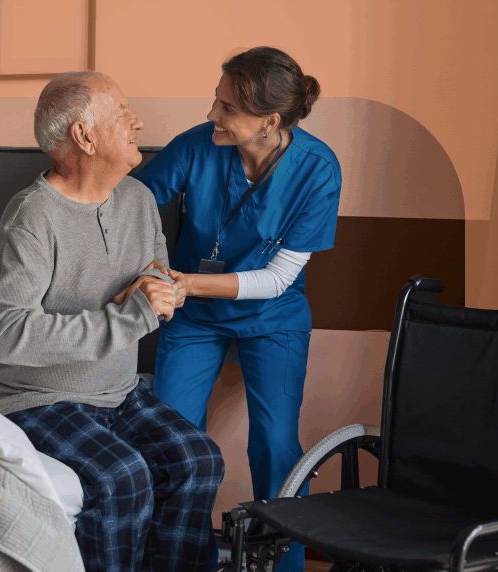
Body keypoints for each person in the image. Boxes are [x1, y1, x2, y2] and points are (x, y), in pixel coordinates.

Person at [0, 71, 225, 572]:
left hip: (117, 392)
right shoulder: (32, 218)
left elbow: (156, 282)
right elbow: (10, 335)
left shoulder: (139, 201)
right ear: (84, 136)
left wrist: (156, 290)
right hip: (34, 398)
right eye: (122, 112)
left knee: (198, 460)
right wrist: (128, 314)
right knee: (122, 476)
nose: (139, 122)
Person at [133, 46, 342, 572]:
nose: (212, 116)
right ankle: (181, 558)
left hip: (270, 316)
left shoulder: (317, 171)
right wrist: (146, 264)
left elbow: (276, 280)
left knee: (275, 443)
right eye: (216, 101)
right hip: (194, 312)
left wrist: (187, 284)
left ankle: (286, 565)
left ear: (269, 122)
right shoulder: (198, 147)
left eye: (226, 108)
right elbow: (131, 203)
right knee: (173, 435)